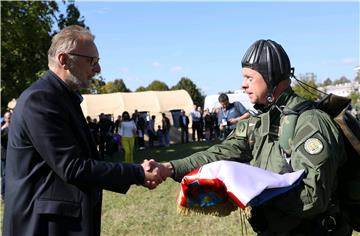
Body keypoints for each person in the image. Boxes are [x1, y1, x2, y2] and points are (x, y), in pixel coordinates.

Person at [156, 39, 352, 235]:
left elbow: (312, 199)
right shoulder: (259, 123)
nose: (243, 84)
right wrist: (169, 168)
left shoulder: (311, 123)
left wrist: (251, 185)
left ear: (271, 77)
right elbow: (219, 154)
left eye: (250, 77)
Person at [3, 25, 162, 236]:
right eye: (92, 61)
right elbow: (72, 167)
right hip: (42, 226)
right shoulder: (40, 99)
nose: (97, 69)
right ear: (64, 60)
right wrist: (138, 172)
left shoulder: (61, 97)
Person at [1, 111, 11, 201]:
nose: (9, 119)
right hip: (4, 155)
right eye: (7, 118)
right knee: (4, 176)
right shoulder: (3, 128)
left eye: (10, 117)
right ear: (4, 118)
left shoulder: (13, 128)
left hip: (12, 155)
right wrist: (3, 128)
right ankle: (3, 195)